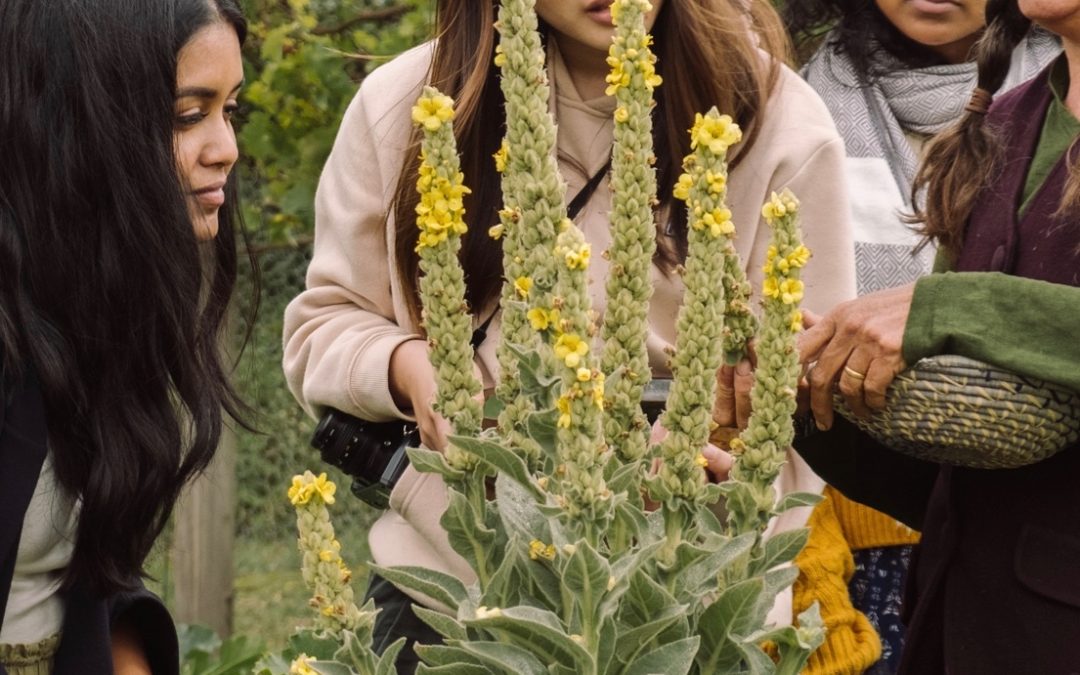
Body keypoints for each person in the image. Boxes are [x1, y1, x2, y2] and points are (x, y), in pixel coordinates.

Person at [282, 0, 856, 671]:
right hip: (462, 607)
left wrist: (704, 436)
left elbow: (812, 372)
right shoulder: (404, 106)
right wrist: (408, 366)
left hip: (679, 609)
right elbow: (323, 324)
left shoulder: (774, 119)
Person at [786, 0, 1080, 671]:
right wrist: (807, 397)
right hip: (957, 630)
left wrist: (945, 305)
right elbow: (955, 475)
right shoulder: (994, 130)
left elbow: (947, 311)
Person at [0, 1, 251, 673]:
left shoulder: (94, 302)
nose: (226, 147)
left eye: (232, 109)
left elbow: (81, 567)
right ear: (81, 119)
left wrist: (125, 641)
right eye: (187, 114)